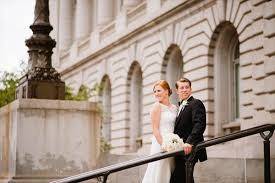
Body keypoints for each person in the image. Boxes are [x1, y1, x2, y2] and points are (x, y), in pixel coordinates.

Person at [170, 78, 207, 183]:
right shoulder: (181, 106)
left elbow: (199, 124)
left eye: (187, 87)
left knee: (178, 178)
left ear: (190, 89)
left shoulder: (196, 103)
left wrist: (189, 142)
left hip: (190, 149)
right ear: (177, 91)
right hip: (180, 151)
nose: (185, 90)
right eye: (182, 88)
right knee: (186, 179)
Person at [142, 80, 178, 183]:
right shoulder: (156, 106)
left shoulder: (174, 108)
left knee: (170, 170)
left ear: (166, 91)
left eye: (159, 90)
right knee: (159, 170)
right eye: (155, 91)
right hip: (160, 144)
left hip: (173, 144)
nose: (156, 94)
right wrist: (164, 145)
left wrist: (174, 144)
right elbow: (155, 129)